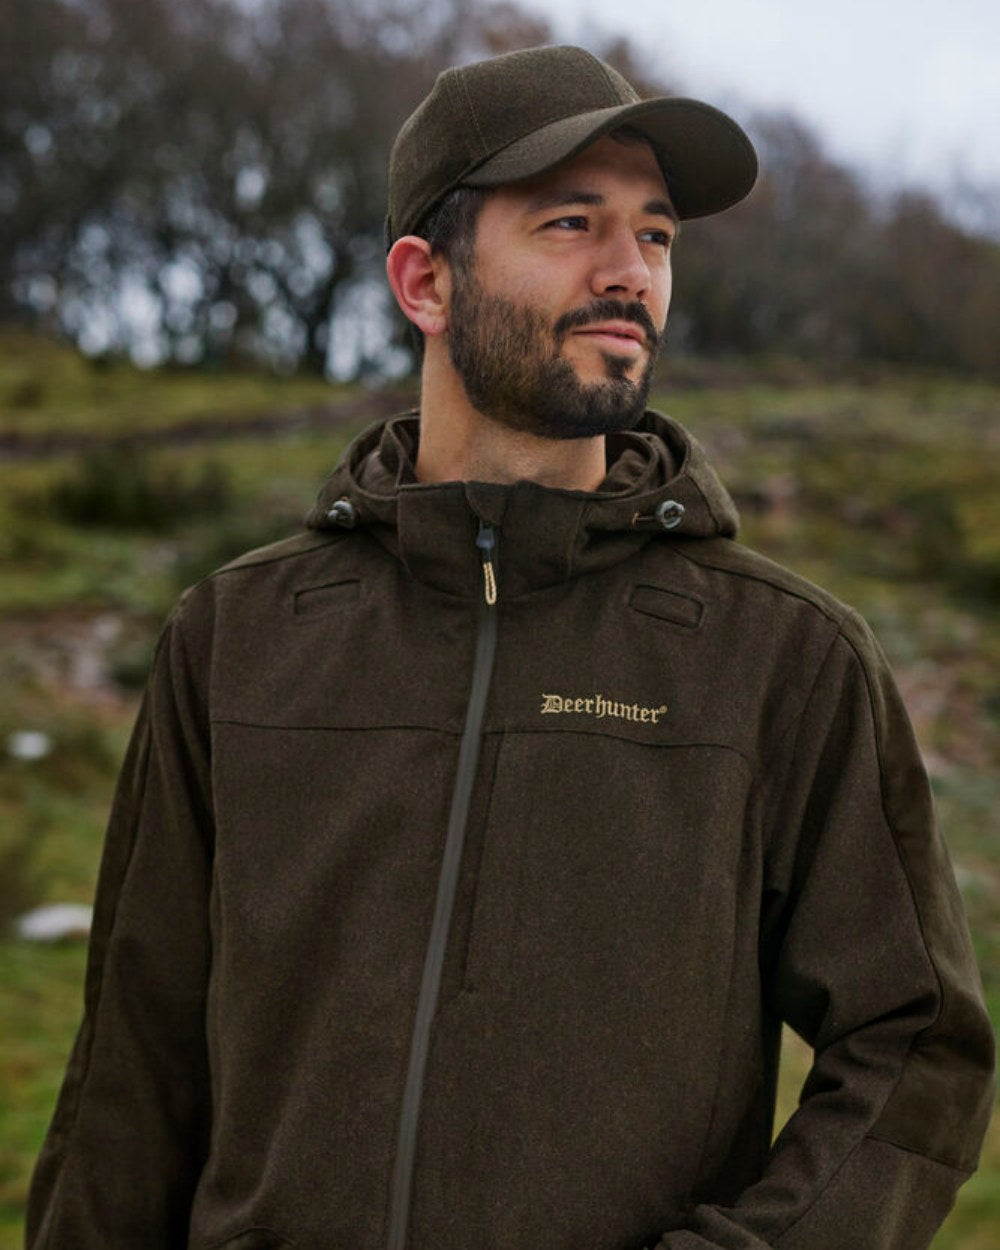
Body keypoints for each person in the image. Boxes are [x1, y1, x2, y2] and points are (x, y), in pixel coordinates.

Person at [27, 44, 994, 1250]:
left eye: (655, 235)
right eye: (569, 223)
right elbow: (134, 1060)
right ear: (424, 282)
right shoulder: (236, 640)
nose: (627, 272)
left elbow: (916, 1042)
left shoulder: (782, 661)